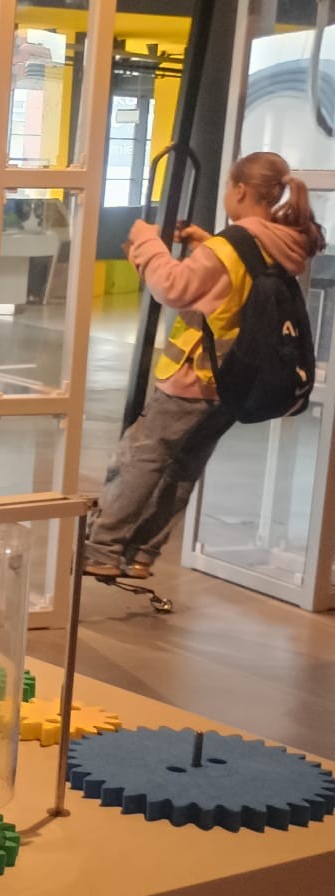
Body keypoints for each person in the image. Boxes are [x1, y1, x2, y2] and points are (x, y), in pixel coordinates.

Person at [86, 149, 325, 580]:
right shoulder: (279, 244)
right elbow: (230, 287)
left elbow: (172, 287)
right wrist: (204, 245)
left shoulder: (229, 246)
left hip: (191, 378)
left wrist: (147, 242)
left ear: (240, 190)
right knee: (184, 466)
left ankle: (102, 547)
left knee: (142, 457)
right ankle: (141, 553)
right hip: (234, 385)